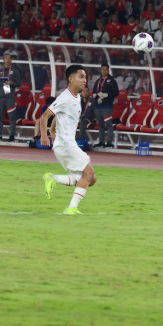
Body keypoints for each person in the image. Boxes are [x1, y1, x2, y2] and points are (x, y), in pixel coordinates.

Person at [41, 65, 97, 215]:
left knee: (91, 179)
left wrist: (53, 129)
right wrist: (44, 135)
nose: (85, 80)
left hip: (66, 143)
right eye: (81, 77)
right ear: (70, 79)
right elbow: (45, 115)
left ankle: (53, 179)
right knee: (88, 173)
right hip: (65, 144)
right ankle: (71, 208)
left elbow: (59, 115)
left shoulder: (76, 96)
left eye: (85, 77)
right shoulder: (65, 97)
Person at [0, 53, 21, 141]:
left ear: (11, 60)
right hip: (0, 96)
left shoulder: (15, 71)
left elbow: (19, 83)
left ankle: (12, 136)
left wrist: (12, 83)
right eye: (6, 58)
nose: (8, 60)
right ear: (3, 60)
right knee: (0, 116)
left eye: (9, 58)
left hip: (10, 97)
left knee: (12, 117)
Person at [91, 63, 119, 147]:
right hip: (98, 106)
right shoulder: (98, 80)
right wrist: (94, 95)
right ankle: (101, 141)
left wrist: (107, 94)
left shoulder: (112, 81)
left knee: (108, 124)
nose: (104, 71)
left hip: (107, 105)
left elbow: (116, 92)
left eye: (105, 69)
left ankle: (109, 142)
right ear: (100, 70)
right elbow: (94, 91)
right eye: (102, 69)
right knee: (100, 125)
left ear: (108, 70)